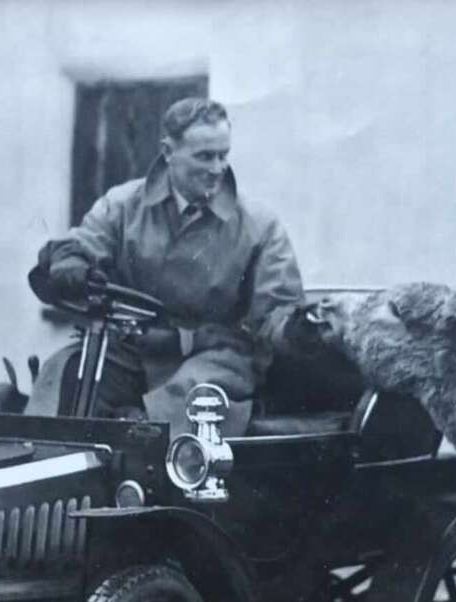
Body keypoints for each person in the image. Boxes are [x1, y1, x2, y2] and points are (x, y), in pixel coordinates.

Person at [28, 98, 305, 437]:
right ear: (168, 151)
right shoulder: (124, 206)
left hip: (215, 354)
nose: (217, 168)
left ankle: (151, 467)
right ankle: (42, 468)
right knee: (66, 373)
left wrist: (292, 328)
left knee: (190, 399)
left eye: (223, 155)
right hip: (133, 351)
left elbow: (277, 311)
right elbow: (83, 244)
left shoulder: (259, 226)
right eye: (204, 156)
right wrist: (70, 263)